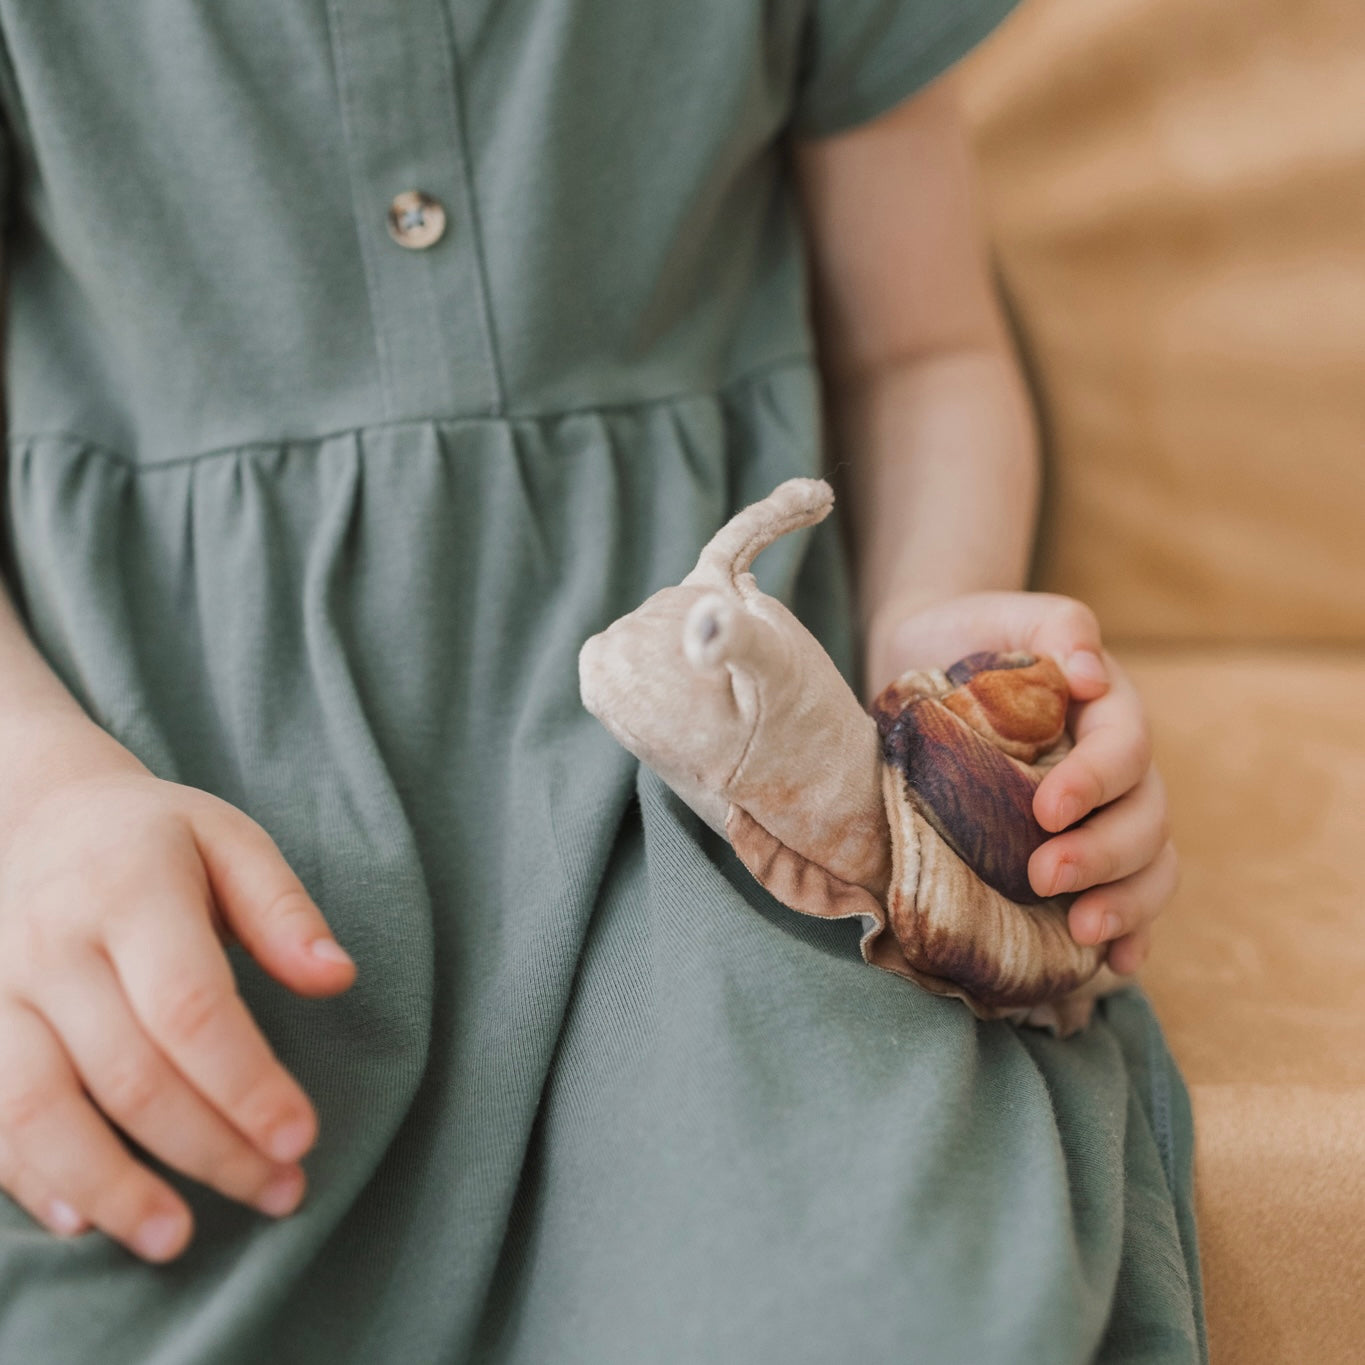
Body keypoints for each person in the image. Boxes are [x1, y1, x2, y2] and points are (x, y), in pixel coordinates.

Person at [0, 2, 1205, 1361]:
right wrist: (33, 801)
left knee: (881, 1286)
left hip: (721, 813)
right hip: (154, 802)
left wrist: (939, 642)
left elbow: (922, 353)